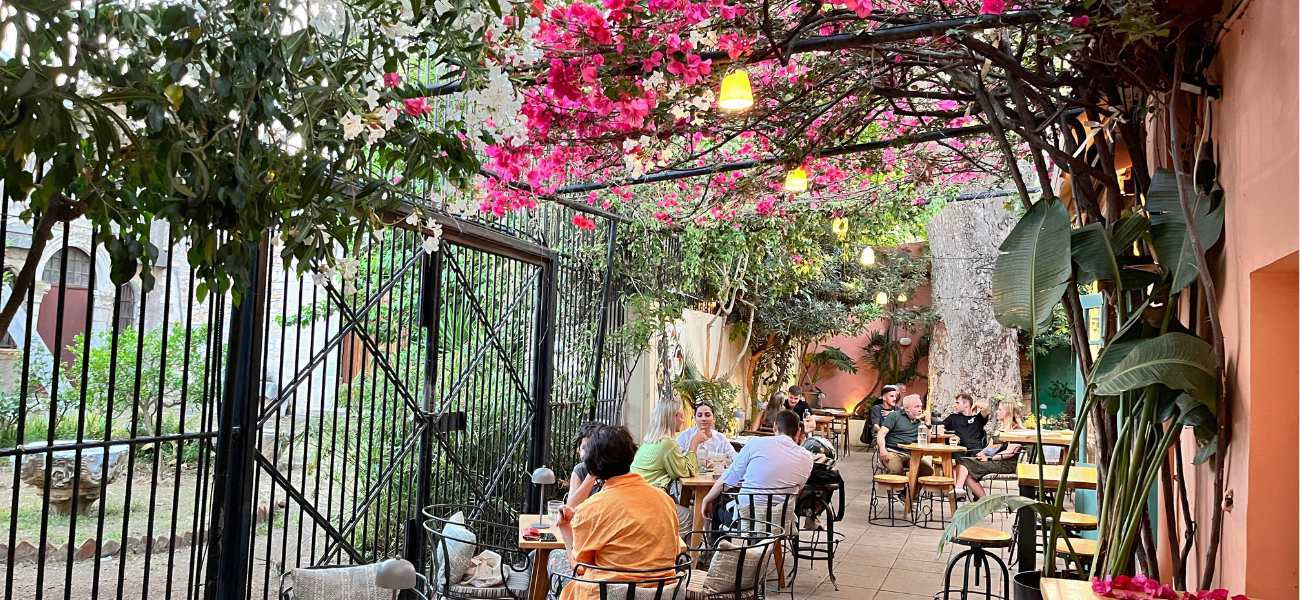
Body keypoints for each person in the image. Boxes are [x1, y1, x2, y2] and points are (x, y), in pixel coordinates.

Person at [556, 425, 683, 600]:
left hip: (608, 595)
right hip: (661, 594)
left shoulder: (591, 509)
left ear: (591, 466)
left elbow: (580, 568)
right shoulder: (665, 501)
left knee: (555, 561)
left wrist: (565, 529)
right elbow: (674, 553)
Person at [700, 410, 814, 528]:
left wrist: (706, 499)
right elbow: (797, 490)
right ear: (798, 431)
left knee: (718, 505)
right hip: (780, 523)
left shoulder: (756, 444)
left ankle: (721, 545)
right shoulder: (807, 458)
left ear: (775, 427)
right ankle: (765, 545)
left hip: (747, 520)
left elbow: (728, 479)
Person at [631, 400, 705, 536]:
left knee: (681, 508)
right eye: (681, 416)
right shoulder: (667, 444)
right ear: (672, 417)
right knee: (693, 518)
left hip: (636, 499)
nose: (683, 421)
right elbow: (687, 472)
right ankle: (684, 556)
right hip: (649, 504)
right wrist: (694, 444)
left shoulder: (650, 441)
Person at [954, 401, 1026, 499]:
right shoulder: (1000, 428)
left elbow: (1009, 453)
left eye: (1000, 410)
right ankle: (980, 500)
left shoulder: (1017, 431)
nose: (997, 412)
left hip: (1006, 463)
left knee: (965, 463)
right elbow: (990, 448)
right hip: (994, 460)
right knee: (965, 467)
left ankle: (960, 489)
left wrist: (989, 458)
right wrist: (981, 453)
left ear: (1008, 412)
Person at [876, 394, 933, 477]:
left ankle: (912, 490)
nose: (920, 410)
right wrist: (882, 449)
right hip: (893, 452)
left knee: (927, 471)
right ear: (906, 409)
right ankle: (900, 489)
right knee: (897, 470)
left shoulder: (920, 422)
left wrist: (928, 424)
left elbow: (926, 442)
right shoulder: (894, 416)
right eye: (916, 407)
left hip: (912, 455)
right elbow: (881, 434)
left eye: (921, 406)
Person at [567, 421, 605, 506]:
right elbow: (571, 507)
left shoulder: (614, 469)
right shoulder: (580, 469)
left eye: (593, 447)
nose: (590, 452)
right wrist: (592, 473)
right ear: (578, 450)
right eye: (585, 447)